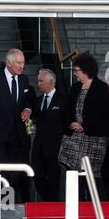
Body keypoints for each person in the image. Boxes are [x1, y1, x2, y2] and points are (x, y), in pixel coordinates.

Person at [0, 49, 33, 203]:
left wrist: (28, 109)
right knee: (1, 174)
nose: (21, 66)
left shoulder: (24, 80)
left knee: (17, 173)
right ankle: (2, 207)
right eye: (18, 62)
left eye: (23, 62)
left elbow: (28, 101)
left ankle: (17, 206)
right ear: (8, 63)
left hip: (19, 137)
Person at [58, 52, 109, 200]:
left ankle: (96, 203)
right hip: (76, 134)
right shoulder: (75, 88)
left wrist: (84, 126)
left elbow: (101, 112)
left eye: (77, 71)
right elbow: (67, 109)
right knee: (73, 169)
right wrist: (71, 123)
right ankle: (79, 202)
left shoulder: (101, 88)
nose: (75, 74)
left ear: (86, 70)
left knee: (92, 173)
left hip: (94, 137)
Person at [31, 69, 68, 201]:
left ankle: (52, 207)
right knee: (37, 177)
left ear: (51, 82)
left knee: (54, 180)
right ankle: (47, 201)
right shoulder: (38, 100)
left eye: (41, 81)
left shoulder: (63, 100)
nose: (38, 84)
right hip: (38, 147)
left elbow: (66, 123)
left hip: (55, 147)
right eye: (38, 81)